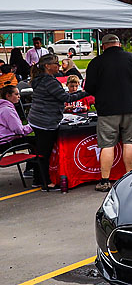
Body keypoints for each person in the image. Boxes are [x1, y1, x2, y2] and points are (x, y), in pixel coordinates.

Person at [84, 34, 132, 192]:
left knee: (107, 145)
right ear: (118, 44)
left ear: (103, 46)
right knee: (130, 142)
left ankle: (105, 180)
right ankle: (130, 177)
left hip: (107, 110)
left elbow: (89, 87)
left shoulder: (96, 62)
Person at [27, 54, 87, 190]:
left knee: (41, 150)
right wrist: (86, 93)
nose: (59, 66)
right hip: (45, 121)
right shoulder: (50, 81)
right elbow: (65, 97)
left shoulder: (39, 79)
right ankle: (44, 182)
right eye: (56, 63)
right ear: (47, 66)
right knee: (44, 152)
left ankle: (38, 179)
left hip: (37, 118)